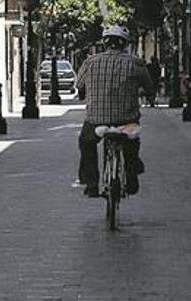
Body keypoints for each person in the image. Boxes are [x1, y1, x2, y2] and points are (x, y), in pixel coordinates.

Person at [76, 25, 154, 197]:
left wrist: (85, 93)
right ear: (124, 44)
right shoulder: (135, 63)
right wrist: (149, 95)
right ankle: (131, 174)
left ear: (104, 43)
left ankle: (91, 183)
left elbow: (79, 87)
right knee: (132, 143)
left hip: (96, 119)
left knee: (86, 143)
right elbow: (149, 87)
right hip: (126, 119)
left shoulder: (90, 62)